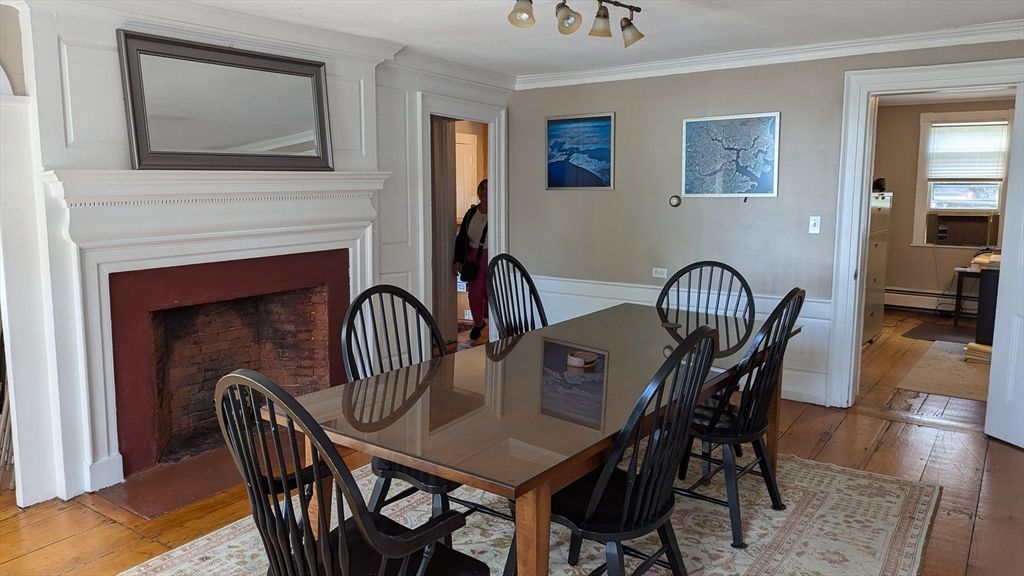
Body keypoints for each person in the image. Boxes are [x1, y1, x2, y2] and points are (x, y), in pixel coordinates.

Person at [453, 179, 489, 340]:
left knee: (491, 293)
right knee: (474, 294)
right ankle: (477, 323)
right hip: (473, 258)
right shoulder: (471, 213)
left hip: (492, 256)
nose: (484, 192)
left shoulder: (499, 210)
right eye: (481, 188)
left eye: (488, 189)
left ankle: (498, 325)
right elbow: (461, 238)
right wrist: (458, 260)